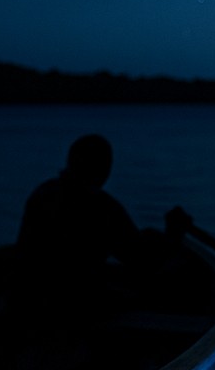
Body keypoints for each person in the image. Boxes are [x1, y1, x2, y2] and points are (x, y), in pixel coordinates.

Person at [13, 134, 146, 320]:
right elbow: (139, 258)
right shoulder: (102, 206)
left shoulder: (42, 193)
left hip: (26, 298)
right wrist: (172, 238)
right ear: (104, 168)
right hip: (75, 303)